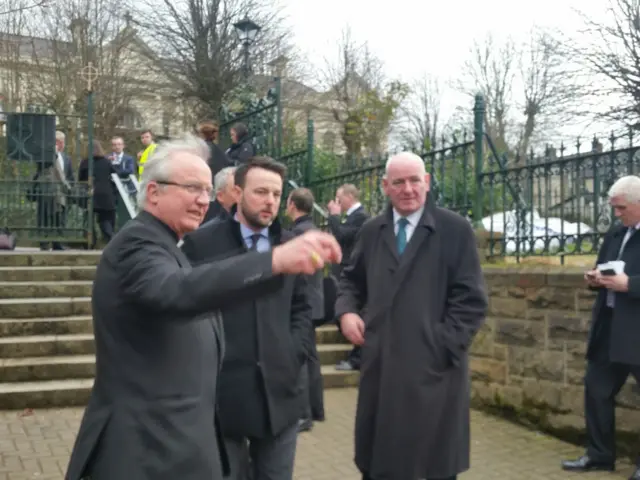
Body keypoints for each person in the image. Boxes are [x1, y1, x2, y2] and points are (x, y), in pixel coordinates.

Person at [64, 134, 341, 480]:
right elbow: (177, 291)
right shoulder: (136, 245)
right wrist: (274, 261)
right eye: (192, 188)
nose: (202, 201)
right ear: (154, 193)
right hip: (144, 452)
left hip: (174, 445)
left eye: (207, 191)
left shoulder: (168, 245)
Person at [335, 152, 488, 480]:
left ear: (427, 182)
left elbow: (471, 300)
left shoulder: (455, 230)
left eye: (414, 180)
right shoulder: (372, 230)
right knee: (380, 465)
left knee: (431, 466)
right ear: (385, 186)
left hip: (434, 375)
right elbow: (350, 279)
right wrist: (347, 312)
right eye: (399, 182)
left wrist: (441, 346)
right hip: (381, 371)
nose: (408, 189)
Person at [181, 157, 311, 480]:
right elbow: (187, 305)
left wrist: (292, 353)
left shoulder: (294, 245)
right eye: (261, 192)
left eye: (277, 194)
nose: (270, 202)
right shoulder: (201, 244)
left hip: (280, 393)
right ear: (237, 192)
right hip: (222, 396)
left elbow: (305, 309)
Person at [561, 175, 640, 480]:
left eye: (621, 208)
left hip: (636, 329)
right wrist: (595, 278)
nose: (616, 214)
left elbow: (627, 282)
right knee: (596, 390)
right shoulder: (617, 233)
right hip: (609, 326)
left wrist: (629, 284)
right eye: (614, 208)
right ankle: (599, 455)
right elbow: (602, 266)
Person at [286, 187, 326, 431]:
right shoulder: (314, 231)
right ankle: (316, 409)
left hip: (303, 305)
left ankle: (303, 414)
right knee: (311, 359)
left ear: (292, 205)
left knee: (302, 360)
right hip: (315, 302)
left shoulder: (297, 235)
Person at [327, 184, 369, 372]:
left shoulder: (361, 216)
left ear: (350, 196)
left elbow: (343, 236)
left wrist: (334, 216)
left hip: (352, 271)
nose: (337, 202)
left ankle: (357, 357)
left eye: (339, 198)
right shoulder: (353, 216)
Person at [77, 140, 116, 248]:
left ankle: (90, 242)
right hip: (106, 194)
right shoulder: (107, 162)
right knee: (105, 219)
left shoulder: (85, 163)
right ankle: (110, 239)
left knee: (88, 220)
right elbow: (114, 175)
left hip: (91, 193)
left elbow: (80, 180)